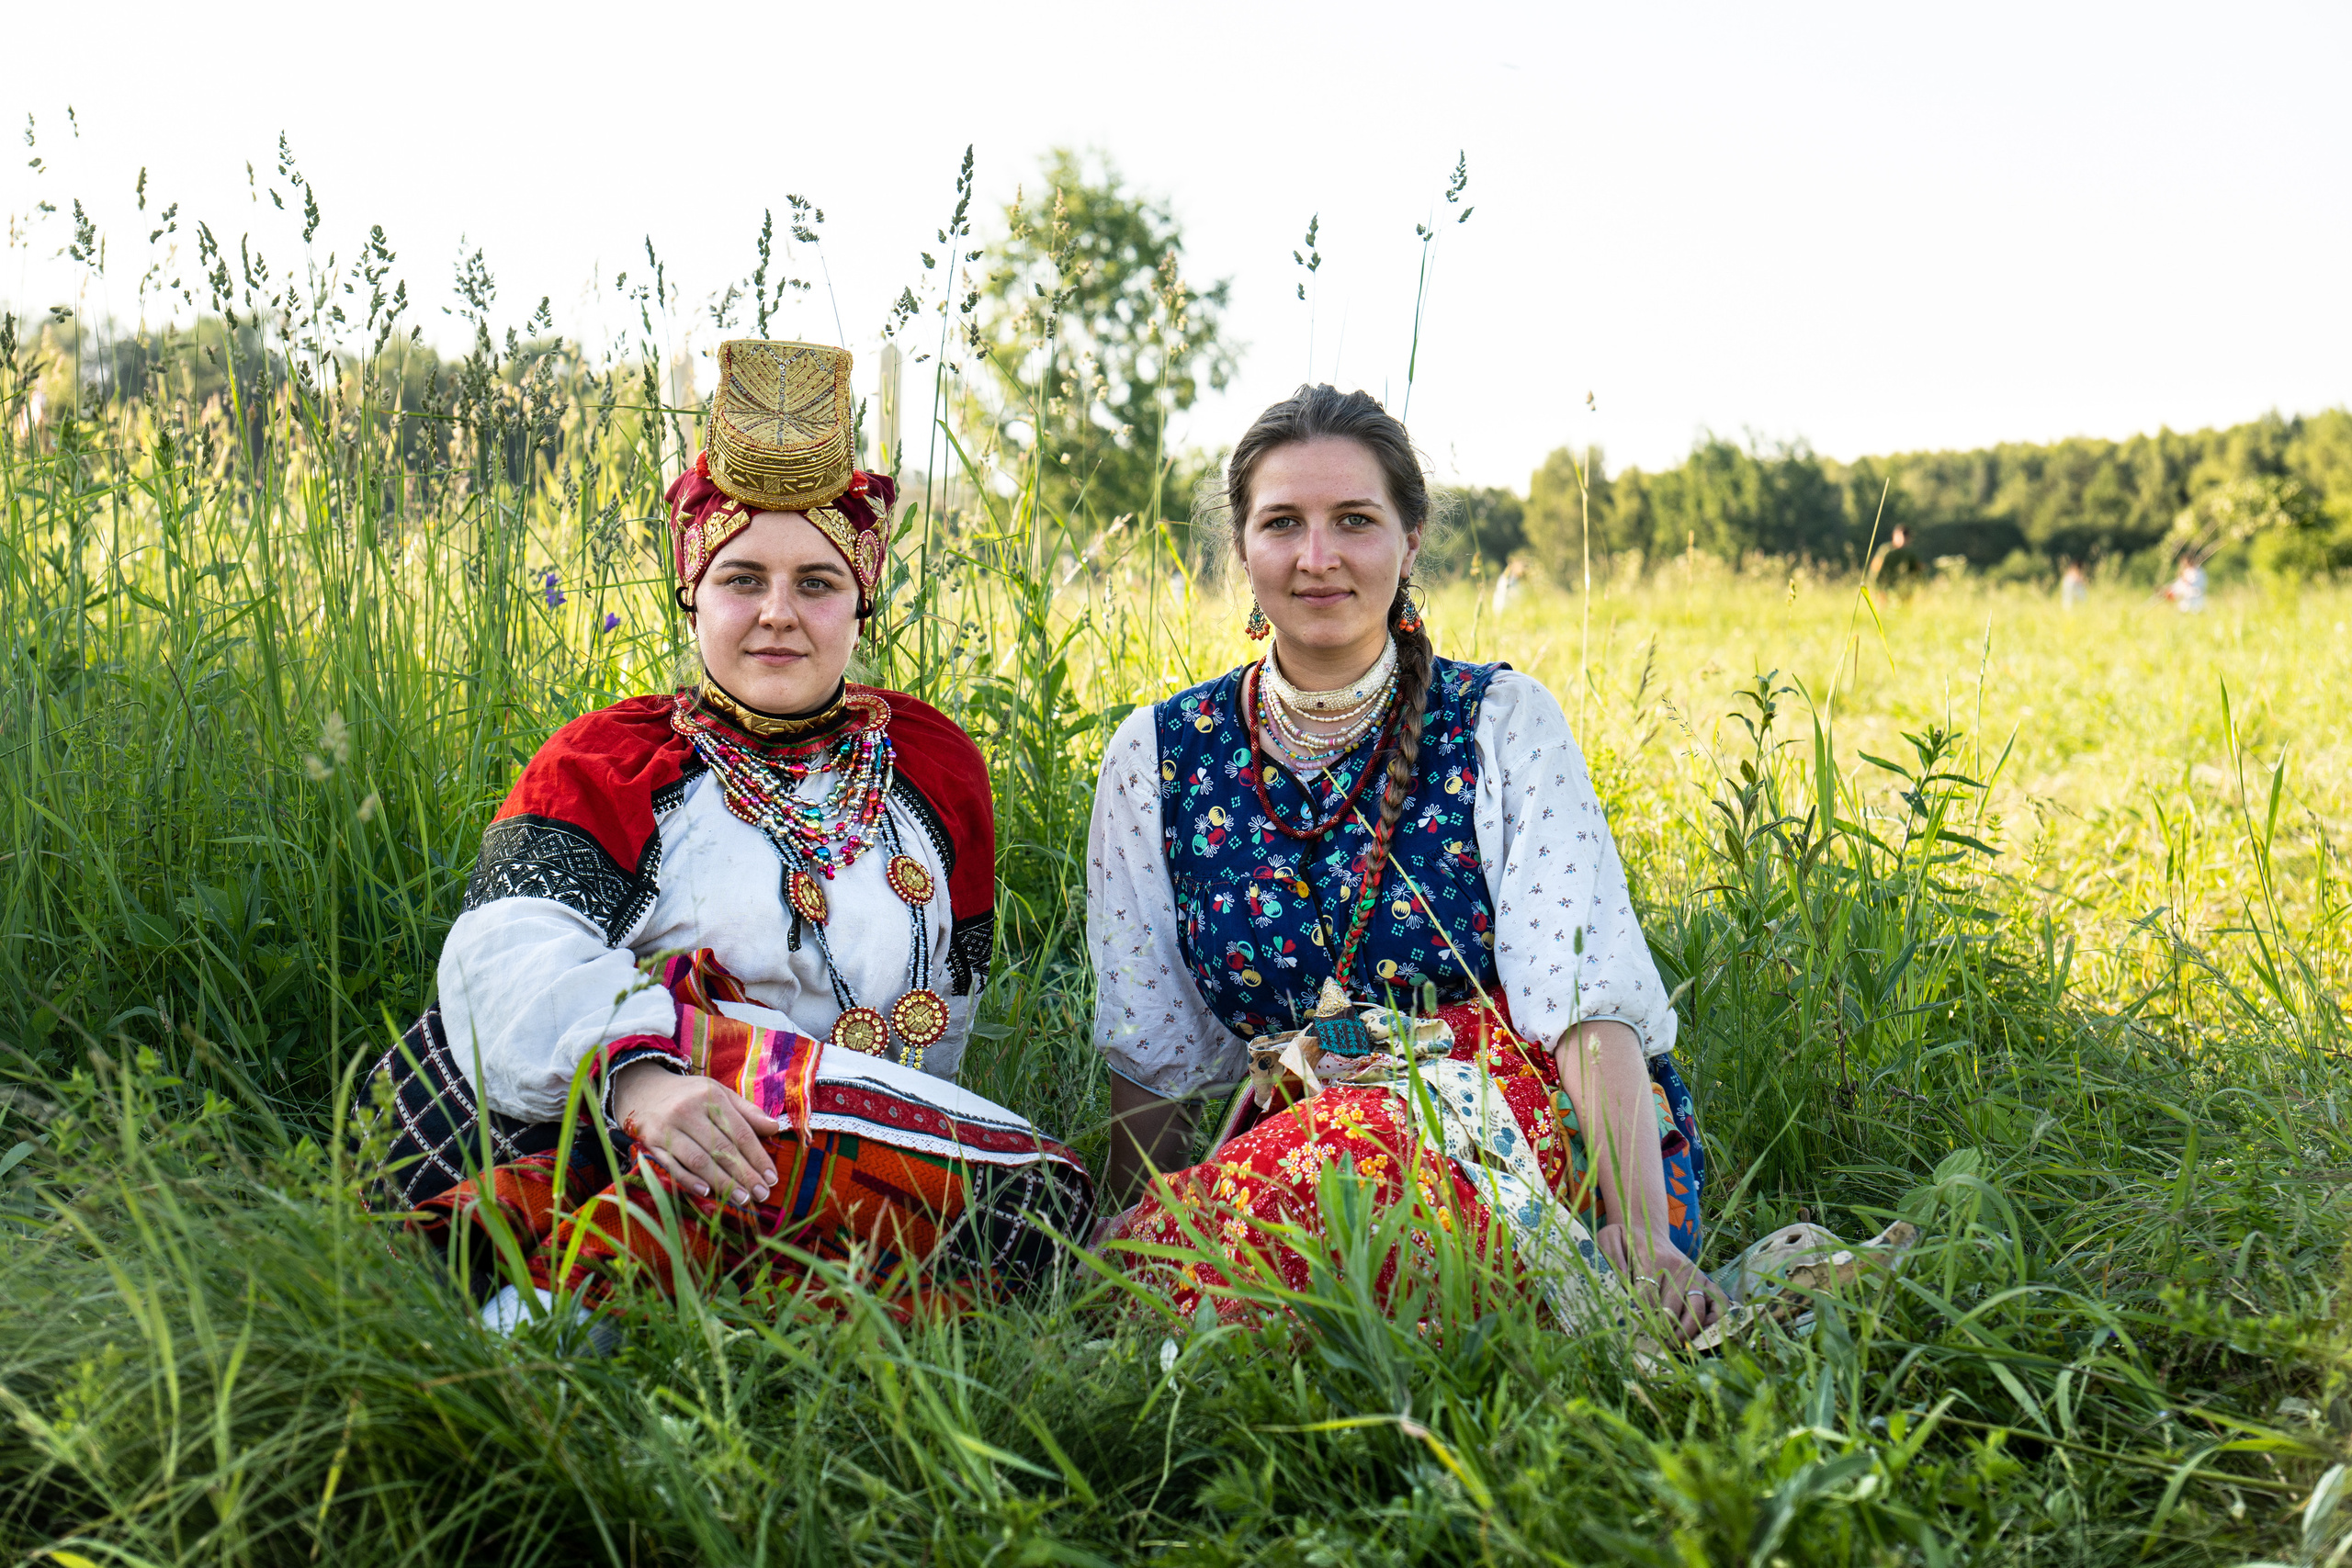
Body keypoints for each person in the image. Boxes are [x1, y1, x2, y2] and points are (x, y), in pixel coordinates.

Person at [363, 339, 1090, 1318]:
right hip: (633, 1124)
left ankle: (629, 1290)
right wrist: (645, 1084)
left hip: (832, 1149)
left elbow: (943, 1023)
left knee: (1032, 1198)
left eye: (816, 584)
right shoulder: (615, 762)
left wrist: (836, 1117)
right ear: (693, 594)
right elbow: (504, 954)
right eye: (742, 579)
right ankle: (574, 1315)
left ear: (860, 603)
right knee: (453, 1057)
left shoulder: (931, 767)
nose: (777, 616)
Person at [1085, 385, 1718, 1340]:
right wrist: (1134, 1223)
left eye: (1354, 521)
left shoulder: (1500, 726)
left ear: (1410, 538)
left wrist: (1641, 1231)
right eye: (1281, 524)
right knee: (1146, 1276)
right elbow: (1154, 1045)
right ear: (1242, 548)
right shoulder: (1160, 753)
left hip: (1506, 1126)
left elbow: (1583, 999)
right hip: (1281, 1152)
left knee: (1356, 1163)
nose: (1317, 558)